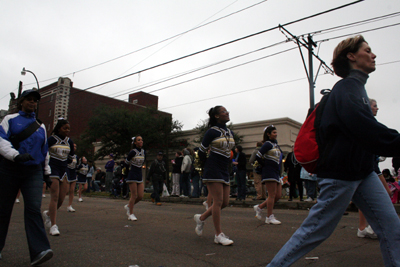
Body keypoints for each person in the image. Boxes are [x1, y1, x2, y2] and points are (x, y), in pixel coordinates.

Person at [267, 35, 400, 267]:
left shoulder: (356, 89)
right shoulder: (346, 89)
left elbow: (360, 135)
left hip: (362, 173)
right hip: (340, 175)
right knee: (314, 232)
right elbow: (364, 128)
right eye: (367, 50)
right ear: (351, 56)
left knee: (392, 228)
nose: (373, 54)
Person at [0, 89, 54, 265]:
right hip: (10, 169)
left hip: (33, 172)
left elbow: (44, 151)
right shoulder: (9, 120)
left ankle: (39, 250)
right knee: (3, 209)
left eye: (35, 101)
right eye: (29, 100)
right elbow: (1, 140)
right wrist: (15, 155)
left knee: (33, 208)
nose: (32, 103)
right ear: (21, 102)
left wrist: (46, 173)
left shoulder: (41, 126)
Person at [194, 105, 235, 246]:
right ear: (216, 116)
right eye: (224, 111)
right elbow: (201, 151)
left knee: (225, 202)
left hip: (224, 169)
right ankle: (218, 235)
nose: (227, 112)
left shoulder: (230, 132)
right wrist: (207, 166)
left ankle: (201, 218)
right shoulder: (211, 132)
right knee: (217, 202)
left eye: (227, 110)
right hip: (213, 169)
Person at [357, 98, 392, 239]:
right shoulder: (367, 124)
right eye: (375, 106)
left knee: (365, 199)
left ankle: (364, 227)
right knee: (384, 195)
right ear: (368, 107)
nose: (377, 108)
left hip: (369, 169)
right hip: (369, 169)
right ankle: (372, 226)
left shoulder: (367, 124)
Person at [43, 118, 75, 236]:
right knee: (54, 197)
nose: (67, 130)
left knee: (61, 199)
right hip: (53, 169)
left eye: (68, 128)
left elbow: (71, 156)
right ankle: (53, 225)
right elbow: (44, 153)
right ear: (59, 128)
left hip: (64, 170)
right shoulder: (51, 139)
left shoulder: (69, 141)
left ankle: (47, 214)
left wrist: (71, 160)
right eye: (65, 128)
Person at [253, 125, 283, 225]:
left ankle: (260, 207)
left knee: (278, 196)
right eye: (274, 132)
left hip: (276, 172)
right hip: (269, 171)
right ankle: (269, 217)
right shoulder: (267, 144)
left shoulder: (276, 145)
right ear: (268, 134)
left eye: (276, 132)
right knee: (271, 195)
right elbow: (258, 156)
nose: (276, 134)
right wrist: (264, 165)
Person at [124, 136, 146, 220]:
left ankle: (129, 206)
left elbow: (142, 162)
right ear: (135, 143)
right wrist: (127, 172)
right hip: (132, 174)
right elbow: (126, 162)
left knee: (140, 196)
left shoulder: (144, 152)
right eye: (139, 140)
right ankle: (131, 213)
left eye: (141, 140)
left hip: (139, 174)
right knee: (134, 195)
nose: (141, 141)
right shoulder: (132, 152)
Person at [66, 144, 78, 212]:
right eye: (73, 146)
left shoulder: (76, 156)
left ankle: (69, 205)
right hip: (67, 171)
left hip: (73, 172)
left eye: (75, 147)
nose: (74, 148)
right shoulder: (67, 155)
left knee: (72, 190)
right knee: (66, 190)